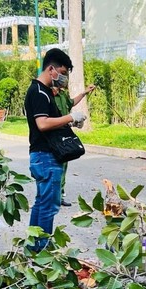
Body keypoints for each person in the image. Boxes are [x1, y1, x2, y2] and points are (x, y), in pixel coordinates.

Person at [24, 48, 86, 250]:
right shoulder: (40, 92)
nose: (63, 78)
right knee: (48, 207)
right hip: (46, 157)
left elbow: (51, 122)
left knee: (42, 203)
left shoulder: (44, 92)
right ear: (51, 69)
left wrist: (70, 123)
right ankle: (42, 249)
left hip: (44, 156)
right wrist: (70, 117)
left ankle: (33, 246)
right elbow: (42, 124)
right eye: (63, 73)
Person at [51, 79, 96, 207]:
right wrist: (69, 120)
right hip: (52, 137)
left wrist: (85, 92)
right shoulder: (48, 96)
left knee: (64, 165)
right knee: (54, 166)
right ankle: (52, 196)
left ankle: (60, 195)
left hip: (64, 136)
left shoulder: (63, 95)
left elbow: (71, 103)